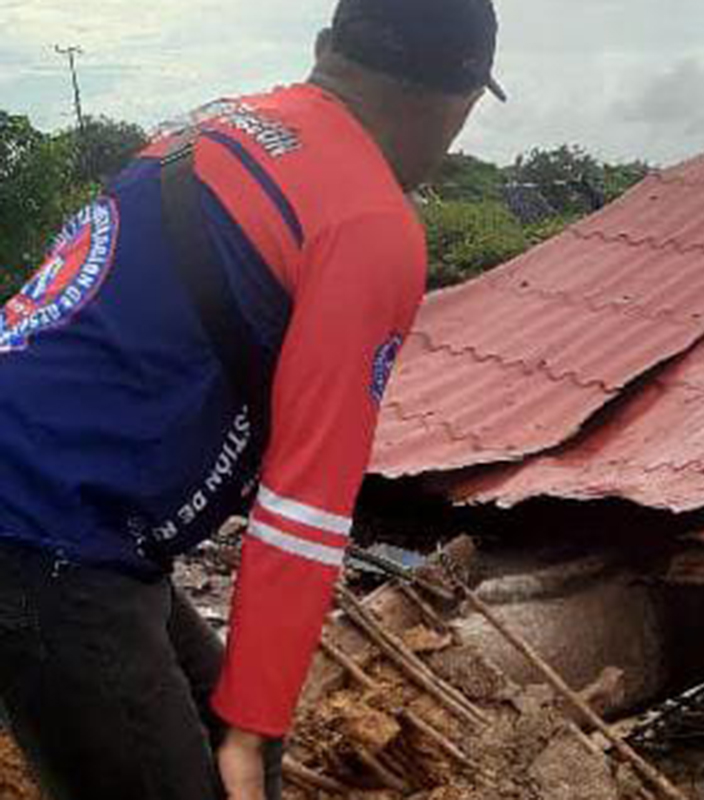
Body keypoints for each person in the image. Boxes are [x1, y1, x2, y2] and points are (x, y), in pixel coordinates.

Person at [0, 0, 503, 798]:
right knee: (236, 747)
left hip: (77, 520)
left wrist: (247, 728)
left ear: (324, 48)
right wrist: (254, 722)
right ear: (462, 100)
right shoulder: (371, 223)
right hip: (44, 532)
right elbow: (303, 510)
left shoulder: (213, 125)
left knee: (236, 744)